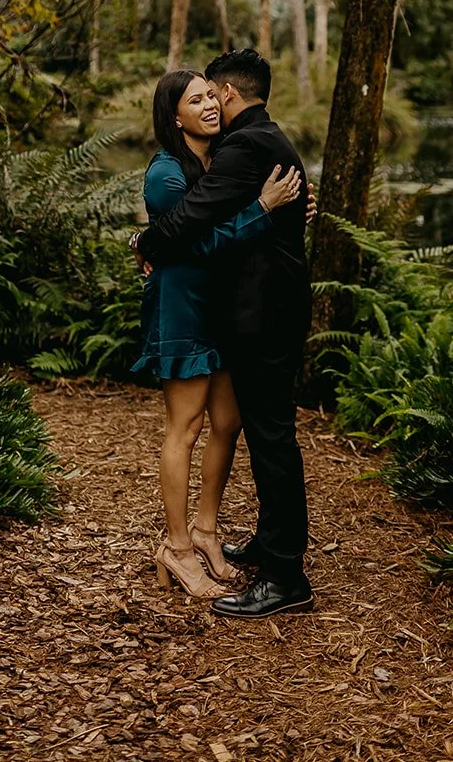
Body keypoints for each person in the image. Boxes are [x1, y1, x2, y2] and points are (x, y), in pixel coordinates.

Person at [134, 48, 313, 619]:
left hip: (247, 311)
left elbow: (199, 221)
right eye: (196, 98)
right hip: (194, 309)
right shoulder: (182, 166)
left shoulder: (236, 150)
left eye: (212, 94)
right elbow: (187, 230)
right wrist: (149, 241)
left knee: (252, 430)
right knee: (195, 426)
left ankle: (260, 556)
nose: (210, 103)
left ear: (230, 94)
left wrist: (287, 209)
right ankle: (185, 545)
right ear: (175, 115)